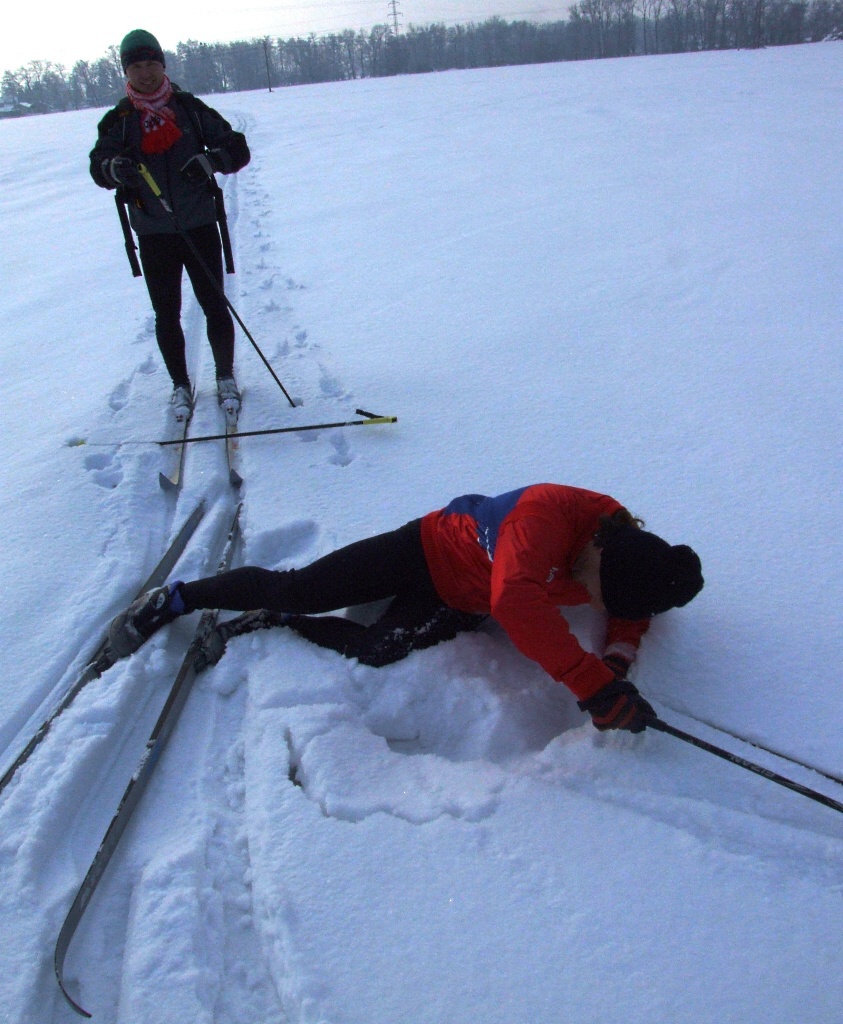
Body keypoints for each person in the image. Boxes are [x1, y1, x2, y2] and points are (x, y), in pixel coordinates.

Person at [109, 484, 704, 733]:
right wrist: (591, 684)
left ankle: (274, 624)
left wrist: (619, 659)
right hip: (422, 550)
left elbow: (635, 605)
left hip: (460, 599)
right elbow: (515, 600)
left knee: (377, 649)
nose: (595, 605)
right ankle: (180, 597)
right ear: (598, 550)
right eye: (599, 593)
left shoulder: (628, 558)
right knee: (301, 589)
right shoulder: (546, 517)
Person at [89, 29, 250, 423]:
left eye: (152, 64)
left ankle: (225, 376)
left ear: (163, 65)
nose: (145, 73)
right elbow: (98, 167)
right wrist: (115, 169)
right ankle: (180, 384)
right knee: (166, 314)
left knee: (215, 304)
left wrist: (210, 162)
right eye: (136, 66)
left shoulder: (190, 109)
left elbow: (238, 147)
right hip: (153, 233)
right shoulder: (119, 121)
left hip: (199, 226)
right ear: (127, 71)